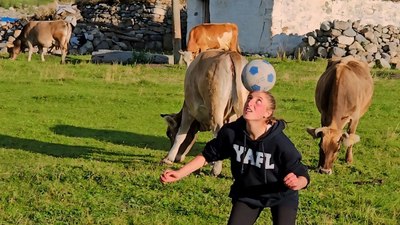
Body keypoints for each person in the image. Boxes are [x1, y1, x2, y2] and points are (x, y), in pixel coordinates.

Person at [160, 91, 310, 225]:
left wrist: (297, 182)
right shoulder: (232, 133)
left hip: (281, 195)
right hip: (248, 193)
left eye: (258, 101)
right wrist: (179, 173)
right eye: (249, 98)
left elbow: (302, 174)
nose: (250, 102)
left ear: (267, 113)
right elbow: (207, 155)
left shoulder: (279, 142)